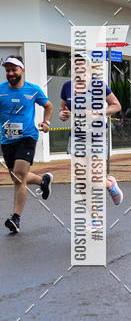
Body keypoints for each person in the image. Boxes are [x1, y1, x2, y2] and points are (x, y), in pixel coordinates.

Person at [60, 54, 124, 211]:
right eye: (75, 64)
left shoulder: (99, 85)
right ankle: (94, 218)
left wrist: (99, 111)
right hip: (77, 137)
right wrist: (63, 115)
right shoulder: (67, 86)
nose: (77, 67)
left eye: (81, 63)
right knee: (81, 179)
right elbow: (63, 111)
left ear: (88, 67)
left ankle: (109, 183)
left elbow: (116, 105)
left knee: (95, 179)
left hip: (97, 136)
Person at [0, 56, 53, 234]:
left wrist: (46, 122)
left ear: (22, 70)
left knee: (19, 176)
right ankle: (43, 180)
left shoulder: (33, 90)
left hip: (27, 137)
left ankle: (16, 218)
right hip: (7, 140)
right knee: (17, 177)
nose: (10, 73)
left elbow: (49, 105)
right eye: (7, 70)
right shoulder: (1, 90)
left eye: (14, 69)